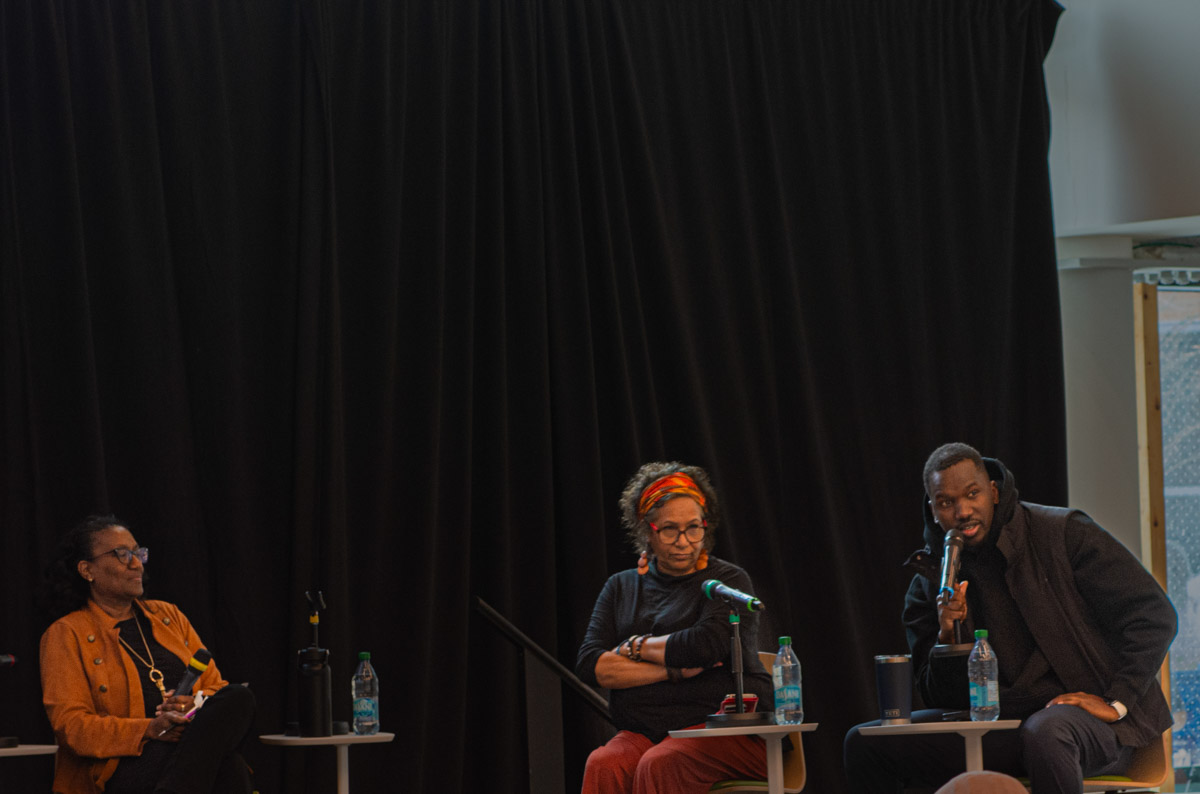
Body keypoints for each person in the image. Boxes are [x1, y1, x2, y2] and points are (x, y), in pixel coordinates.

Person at [843, 443, 1177, 794]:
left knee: (1047, 733)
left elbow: (1154, 615)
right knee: (865, 743)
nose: (962, 511)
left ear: (994, 492)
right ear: (933, 509)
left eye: (972, 494)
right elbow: (940, 699)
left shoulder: (1062, 533)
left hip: (1089, 727)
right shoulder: (932, 581)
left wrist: (1116, 701)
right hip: (997, 728)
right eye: (946, 502)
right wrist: (948, 638)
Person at [576, 462, 774, 794]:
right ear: (647, 531)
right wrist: (674, 672)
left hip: (726, 732)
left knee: (662, 762)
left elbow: (703, 646)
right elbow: (590, 665)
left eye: (693, 528)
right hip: (645, 732)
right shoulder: (620, 587)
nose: (683, 542)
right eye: (669, 529)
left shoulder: (727, 581)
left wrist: (635, 648)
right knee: (604, 763)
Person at [39, 515, 255, 794]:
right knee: (230, 767)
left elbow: (216, 688)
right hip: (119, 766)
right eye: (122, 554)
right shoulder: (66, 633)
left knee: (238, 697)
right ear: (87, 569)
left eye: (138, 553)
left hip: (188, 749)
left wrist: (192, 706)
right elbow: (73, 728)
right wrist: (151, 728)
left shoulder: (169, 616)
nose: (137, 563)